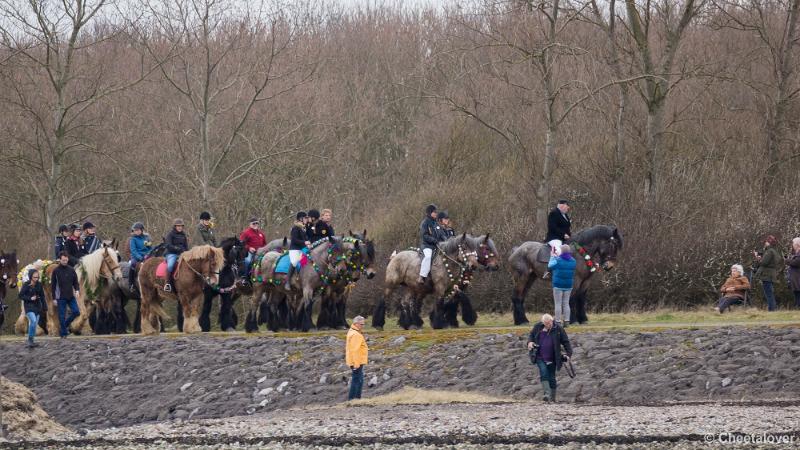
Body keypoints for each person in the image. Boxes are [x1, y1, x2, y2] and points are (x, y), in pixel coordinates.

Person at [527, 313, 573, 403]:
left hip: (553, 357)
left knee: (552, 377)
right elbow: (531, 336)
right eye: (545, 323)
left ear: (552, 321)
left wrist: (568, 354)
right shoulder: (538, 327)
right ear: (543, 322)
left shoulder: (559, 329)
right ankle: (547, 394)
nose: (547, 325)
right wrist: (530, 342)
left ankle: (552, 399)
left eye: (549, 323)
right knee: (544, 372)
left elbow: (566, 342)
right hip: (539, 356)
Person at [51, 252, 80, 338]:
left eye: (66, 260)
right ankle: (63, 334)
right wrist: (54, 298)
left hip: (70, 296)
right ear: (60, 259)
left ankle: (64, 327)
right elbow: (53, 286)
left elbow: (75, 282)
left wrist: (77, 290)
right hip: (60, 297)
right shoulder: (56, 271)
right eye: (63, 260)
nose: (65, 261)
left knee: (76, 312)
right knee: (61, 316)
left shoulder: (71, 269)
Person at [548, 244, 577, 326]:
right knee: (566, 303)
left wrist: (552, 256)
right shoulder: (573, 261)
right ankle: (567, 321)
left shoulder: (557, 260)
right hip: (568, 285)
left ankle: (558, 322)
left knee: (558, 303)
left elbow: (550, 266)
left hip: (558, 285)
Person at [418, 204, 446, 284]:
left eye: (436, 212)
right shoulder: (425, 223)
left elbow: (441, 233)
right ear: (430, 213)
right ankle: (422, 276)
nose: (436, 213)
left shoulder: (436, 223)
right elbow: (424, 235)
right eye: (435, 212)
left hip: (437, 246)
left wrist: (445, 239)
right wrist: (434, 240)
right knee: (428, 257)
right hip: (427, 246)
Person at [19, 268, 47, 348]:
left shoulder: (39, 284)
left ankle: (31, 341)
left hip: (37, 306)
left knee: (34, 325)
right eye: (34, 277)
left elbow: (42, 296)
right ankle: (30, 340)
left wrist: (45, 306)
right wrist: (30, 298)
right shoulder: (26, 285)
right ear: (30, 276)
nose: (36, 279)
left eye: (37, 277)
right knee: (33, 321)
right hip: (29, 306)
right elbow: (20, 296)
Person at [753, 235, 781, 311]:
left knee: (769, 294)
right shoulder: (774, 251)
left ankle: (771, 309)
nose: (764, 243)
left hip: (767, 275)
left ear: (769, 242)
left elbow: (764, 263)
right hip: (771, 274)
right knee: (770, 292)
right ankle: (772, 308)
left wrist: (757, 258)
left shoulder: (769, 251)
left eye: (766, 242)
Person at [346, 315, 369, 400]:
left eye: (363, 324)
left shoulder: (352, 331)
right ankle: (353, 399)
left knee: (359, 380)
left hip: (356, 360)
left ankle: (356, 398)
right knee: (357, 380)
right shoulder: (356, 335)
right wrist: (356, 363)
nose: (363, 326)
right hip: (357, 361)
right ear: (356, 324)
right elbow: (355, 350)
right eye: (361, 324)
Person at [164, 218, 190, 292]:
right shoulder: (170, 234)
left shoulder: (184, 235)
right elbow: (168, 245)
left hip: (182, 254)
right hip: (172, 254)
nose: (180, 227)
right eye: (178, 226)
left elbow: (186, 246)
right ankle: (167, 283)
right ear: (175, 226)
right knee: (170, 265)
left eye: (181, 226)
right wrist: (177, 248)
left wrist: (187, 253)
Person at [286, 212, 311, 290]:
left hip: (303, 249)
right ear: (301, 219)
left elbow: (306, 239)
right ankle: (288, 281)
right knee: (294, 262)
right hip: (295, 249)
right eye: (305, 218)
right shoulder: (295, 228)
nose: (307, 220)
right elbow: (294, 240)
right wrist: (304, 242)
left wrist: (309, 243)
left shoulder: (303, 228)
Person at [239, 217, 267, 283]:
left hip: (261, 252)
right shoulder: (246, 233)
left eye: (257, 223)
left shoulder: (261, 234)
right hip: (250, 252)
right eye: (253, 223)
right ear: (250, 224)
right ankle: (244, 278)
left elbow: (265, 244)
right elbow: (240, 243)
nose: (255, 224)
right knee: (247, 261)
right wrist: (249, 248)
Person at [129, 222, 152, 291]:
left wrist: (148, 254)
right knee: (132, 264)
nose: (137, 231)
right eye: (135, 230)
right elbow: (133, 251)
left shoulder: (147, 238)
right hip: (136, 257)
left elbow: (150, 248)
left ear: (142, 230)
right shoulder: (133, 239)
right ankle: (131, 284)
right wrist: (140, 257)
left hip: (146, 256)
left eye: (138, 230)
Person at [785, 237, 800, 309]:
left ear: (797, 244)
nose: (793, 245)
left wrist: (787, 260)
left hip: (798, 278)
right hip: (795, 278)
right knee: (796, 293)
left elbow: (796, 262)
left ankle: (798, 307)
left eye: (793, 243)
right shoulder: (796, 253)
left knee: (798, 293)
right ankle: (797, 307)